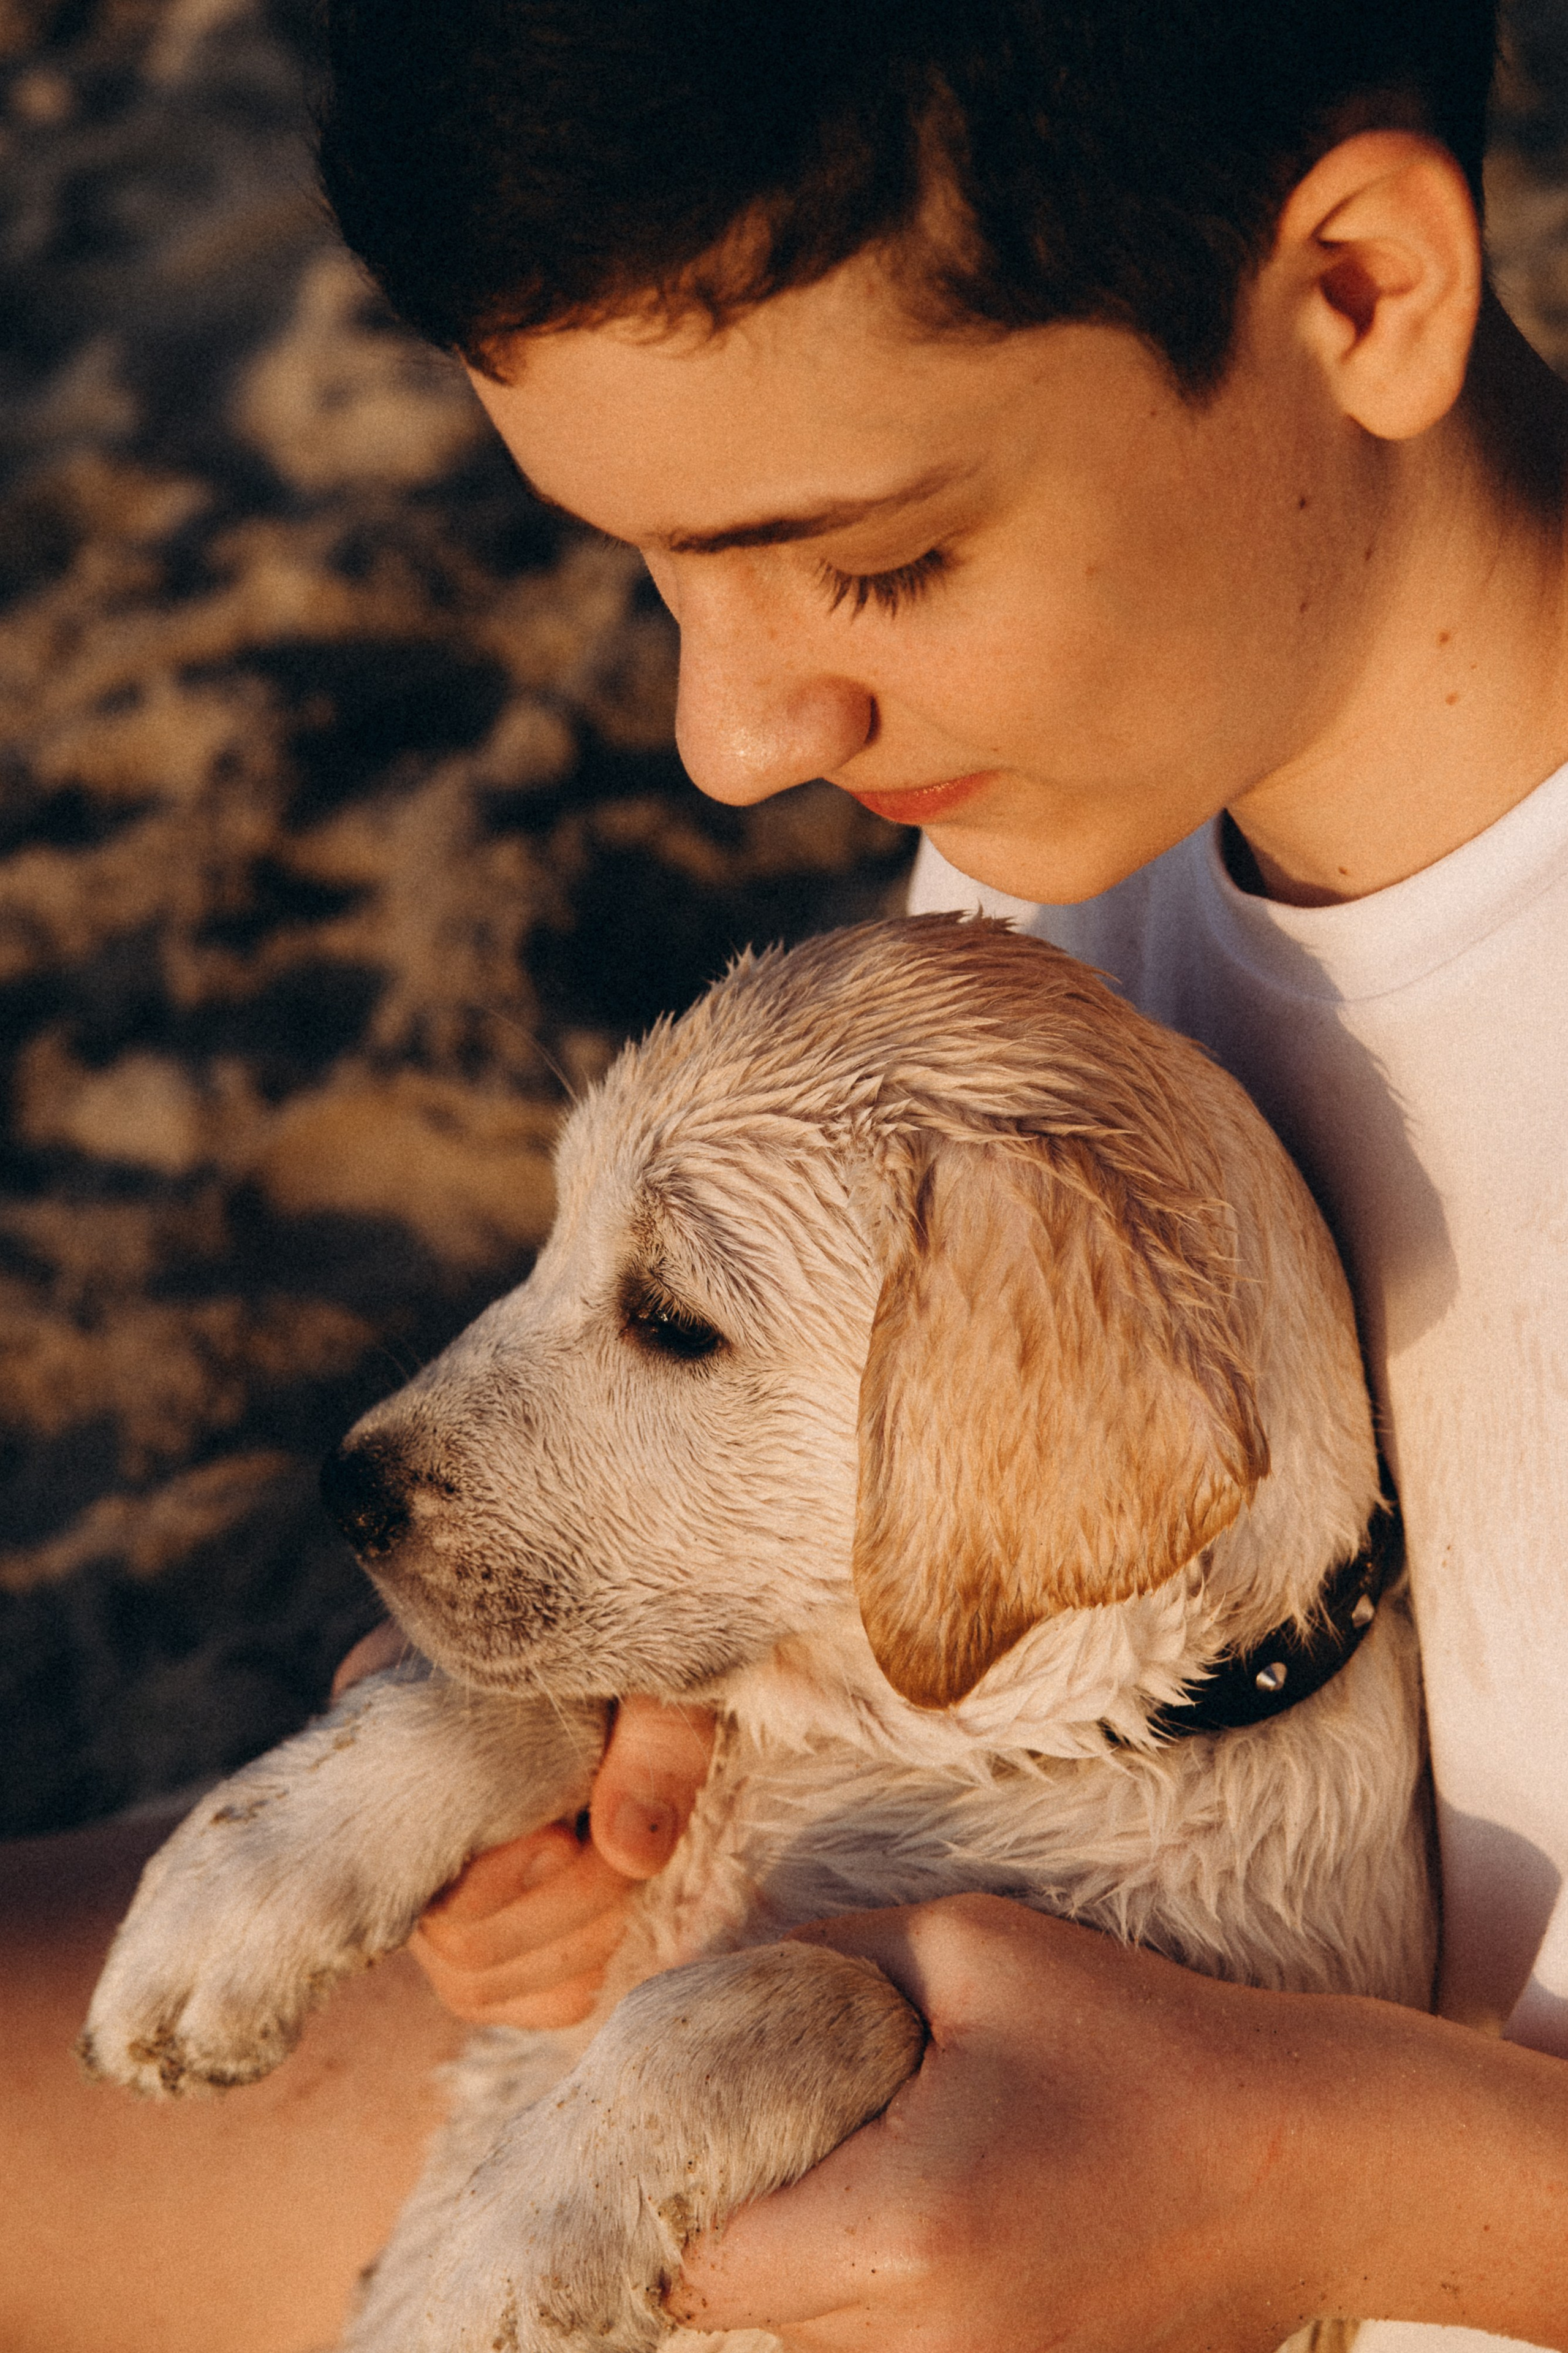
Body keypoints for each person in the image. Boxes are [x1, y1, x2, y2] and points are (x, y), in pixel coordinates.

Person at [5, 1, 1568, 2346]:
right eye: (662, 570)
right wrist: (622, 1739)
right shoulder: (1089, 810)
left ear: (1360, 289)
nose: (729, 740)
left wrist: (1318, 2180)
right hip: (855, 2016)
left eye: (879, 564)